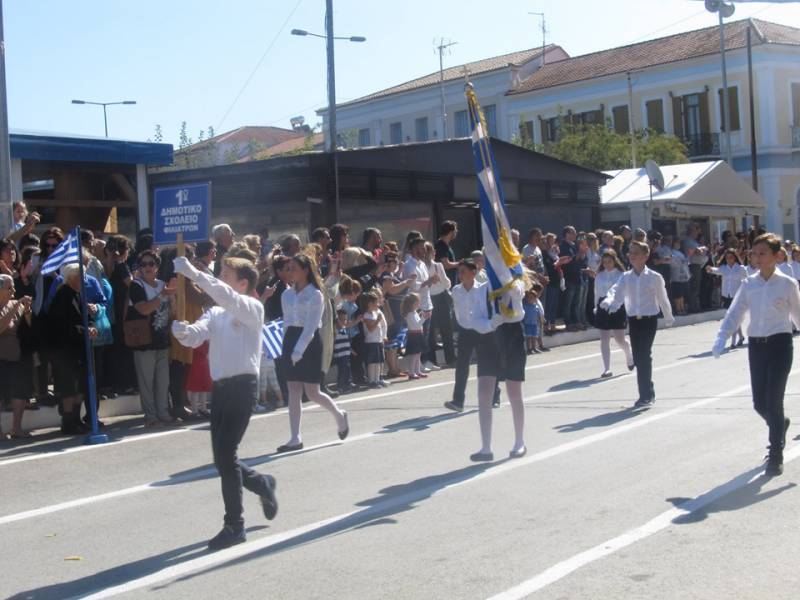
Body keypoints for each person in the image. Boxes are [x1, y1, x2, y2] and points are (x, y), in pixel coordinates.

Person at [171, 254, 278, 550]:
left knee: (227, 453)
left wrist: (195, 274)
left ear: (243, 283)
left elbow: (224, 294)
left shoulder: (252, 308)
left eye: (226, 274)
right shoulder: (216, 313)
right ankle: (261, 483)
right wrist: (183, 332)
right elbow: (196, 336)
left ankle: (235, 524)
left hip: (243, 387)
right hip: (220, 390)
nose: (220, 278)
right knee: (222, 458)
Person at [711, 233, 800, 476]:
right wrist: (722, 336)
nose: (757, 257)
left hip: (780, 344)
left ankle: (775, 453)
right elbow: (736, 311)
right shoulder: (749, 284)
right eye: (754, 253)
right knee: (759, 402)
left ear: (776, 256)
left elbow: (798, 315)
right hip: (757, 346)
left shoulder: (787, 283)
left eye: (762, 253)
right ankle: (779, 424)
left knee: (774, 398)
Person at [277, 254, 349, 453]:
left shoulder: (315, 294)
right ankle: (295, 437)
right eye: (288, 268)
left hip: (309, 342)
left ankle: (339, 415)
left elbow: (310, 326)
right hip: (290, 339)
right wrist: (285, 347)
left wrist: (299, 350)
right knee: (293, 389)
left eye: (294, 268)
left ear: (306, 270)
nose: (290, 272)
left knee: (312, 392)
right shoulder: (286, 294)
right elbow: (286, 322)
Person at [601, 241, 674, 409]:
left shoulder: (654, 277)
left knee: (644, 355)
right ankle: (648, 390)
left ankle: (645, 395)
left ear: (645, 255)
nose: (631, 255)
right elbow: (616, 291)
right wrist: (610, 301)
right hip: (634, 321)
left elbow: (663, 298)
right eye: (630, 252)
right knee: (639, 357)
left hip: (649, 320)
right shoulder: (626, 277)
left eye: (635, 252)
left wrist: (668, 316)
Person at [127, 250, 176, 427]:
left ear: (157, 266)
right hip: (144, 341)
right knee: (146, 381)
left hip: (162, 338)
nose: (147, 267)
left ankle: (163, 413)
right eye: (143, 264)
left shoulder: (162, 284)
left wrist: (172, 299)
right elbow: (143, 309)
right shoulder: (136, 285)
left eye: (151, 263)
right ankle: (150, 416)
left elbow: (172, 313)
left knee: (163, 381)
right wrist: (162, 296)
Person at [49, 264, 98, 433]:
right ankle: (68, 421)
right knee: (69, 386)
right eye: (80, 277)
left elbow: (85, 317)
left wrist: (91, 326)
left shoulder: (79, 295)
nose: (83, 280)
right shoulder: (62, 296)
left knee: (80, 385)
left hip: (79, 348)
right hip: (65, 350)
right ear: (71, 278)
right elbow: (62, 325)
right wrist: (84, 329)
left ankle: (76, 419)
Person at [0, 274, 33, 439]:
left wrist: (26, 310)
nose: (13, 290)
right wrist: (15, 306)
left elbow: (30, 325)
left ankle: (16, 428)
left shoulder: (16, 304)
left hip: (17, 356)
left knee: (19, 393)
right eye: (9, 287)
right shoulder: (11, 306)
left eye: (13, 286)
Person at [594, 250, 634, 378]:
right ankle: (607, 368)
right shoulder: (599, 275)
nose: (607, 264)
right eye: (604, 262)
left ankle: (629, 355)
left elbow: (625, 292)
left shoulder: (621, 274)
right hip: (602, 306)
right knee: (604, 338)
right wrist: (596, 307)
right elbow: (596, 292)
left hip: (617, 305)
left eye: (609, 261)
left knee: (619, 339)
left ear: (614, 261)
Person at [706, 249, 748, 348]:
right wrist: (710, 269)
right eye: (727, 257)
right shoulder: (723, 268)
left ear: (735, 258)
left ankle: (733, 342)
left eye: (731, 257)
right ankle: (741, 336)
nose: (729, 259)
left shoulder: (740, 268)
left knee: (733, 318)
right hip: (726, 296)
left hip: (737, 296)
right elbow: (716, 270)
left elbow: (749, 278)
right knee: (733, 318)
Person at [424, 241, 454, 369]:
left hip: (441, 298)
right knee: (430, 331)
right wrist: (431, 282)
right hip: (429, 299)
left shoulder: (438, 266)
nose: (431, 254)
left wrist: (439, 279)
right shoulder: (421, 267)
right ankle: (432, 360)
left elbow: (447, 284)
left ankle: (451, 358)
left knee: (446, 329)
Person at [361, 291, 388, 388]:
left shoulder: (375, 313)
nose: (378, 305)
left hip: (378, 341)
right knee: (372, 363)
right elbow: (371, 329)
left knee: (378, 361)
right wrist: (377, 320)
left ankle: (377, 379)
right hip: (371, 342)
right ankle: (371, 380)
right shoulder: (366, 315)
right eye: (376, 303)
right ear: (369, 304)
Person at [402, 292, 425, 380]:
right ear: (411, 304)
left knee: (418, 354)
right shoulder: (409, 314)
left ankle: (417, 371)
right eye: (416, 303)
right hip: (414, 335)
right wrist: (424, 317)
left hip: (418, 334)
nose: (418, 304)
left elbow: (418, 324)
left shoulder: (414, 313)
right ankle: (411, 372)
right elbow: (417, 325)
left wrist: (421, 316)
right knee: (414, 355)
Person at [333, 309, 356, 394]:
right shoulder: (335, 331)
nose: (344, 322)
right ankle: (341, 386)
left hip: (346, 353)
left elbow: (346, 342)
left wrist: (351, 350)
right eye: (341, 320)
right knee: (342, 371)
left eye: (345, 319)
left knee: (347, 369)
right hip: (339, 355)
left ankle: (348, 384)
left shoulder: (344, 329)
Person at [669, 237, 690, 316]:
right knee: (678, 294)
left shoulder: (680, 253)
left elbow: (685, 263)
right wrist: (683, 261)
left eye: (679, 243)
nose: (678, 244)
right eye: (677, 242)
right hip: (676, 277)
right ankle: (678, 309)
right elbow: (674, 263)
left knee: (682, 294)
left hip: (683, 276)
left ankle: (682, 308)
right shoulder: (671, 252)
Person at [434, 220, 459, 285]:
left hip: (450, 283)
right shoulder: (441, 246)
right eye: (455, 231)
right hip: (445, 285)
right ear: (451, 232)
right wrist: (460, 263)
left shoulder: (446, 245)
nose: (456, 232)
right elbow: (445, 265)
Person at [523, 284, 545, 354]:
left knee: (534, 336)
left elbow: (539, 314)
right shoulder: (525, 307)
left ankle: (534, 348)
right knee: (528, 337)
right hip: (527, 324)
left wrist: (541, 320)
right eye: (529, 298)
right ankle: (529, 349)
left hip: (535, 324)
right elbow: (523, 315)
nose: (530, 299)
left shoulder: (536, 306)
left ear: (535, 299)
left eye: (532, 298)